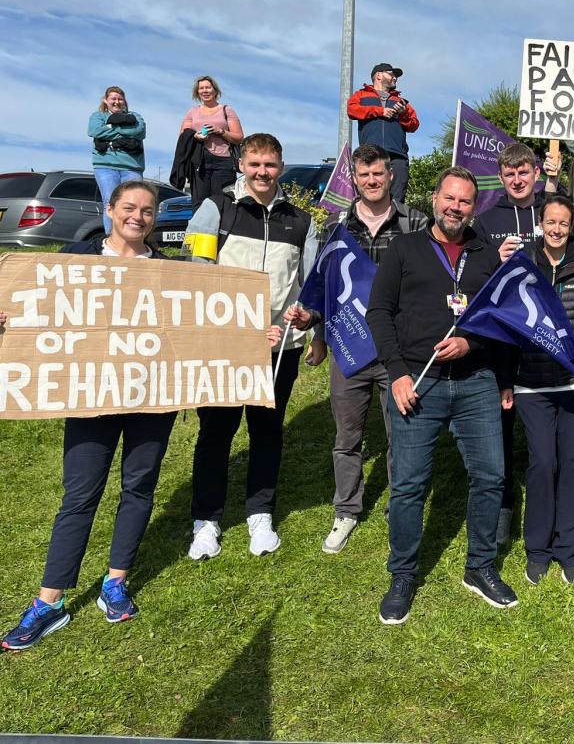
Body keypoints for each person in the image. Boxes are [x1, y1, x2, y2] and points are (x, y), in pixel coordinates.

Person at [0, 182, 279, 651]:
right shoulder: (75, 260)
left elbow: (206, 325)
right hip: (92, 394)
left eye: (147, 211)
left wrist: (254, 339)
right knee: (80, 493)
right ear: (110, 210)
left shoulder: (170, 274)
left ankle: (116, 581)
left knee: (139, 485)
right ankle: (49, 601)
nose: (138, 217)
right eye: (129, 207)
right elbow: (32, 305)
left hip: (154, 395)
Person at [366, 167, 518, 623]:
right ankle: (403, 573)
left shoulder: (486, 255)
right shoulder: (405, 248)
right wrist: (395, 373)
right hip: (417, 382)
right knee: (410, 485)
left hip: (475, 382)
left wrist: (472, 344)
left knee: (491, 476)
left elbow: (502, 322)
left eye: (465, 201)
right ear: (435, 199)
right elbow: (379, 312)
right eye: (449, 198)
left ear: (475, 208)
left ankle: (480, 566)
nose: (456, 207)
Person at [182, 133, 318, 560]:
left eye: (271, 165)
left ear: (281, 167)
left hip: (282, 348)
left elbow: (311, 285)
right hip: (224, 348)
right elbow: (195, 276)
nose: (263, 172)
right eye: (255, 163)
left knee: (266, 432)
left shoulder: (301, 221)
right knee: (216, 433)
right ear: (242, 164)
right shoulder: (215, 209)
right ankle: (206, 521)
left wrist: (308, 316)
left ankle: (260, 513)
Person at [306, 145, 430, 555]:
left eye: (378, 174)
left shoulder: (416, 222)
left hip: (398, 350)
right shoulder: (336, 227)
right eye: (364, 176)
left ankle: (401, 504)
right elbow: (326, 289)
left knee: (402, 434)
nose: (372, 181)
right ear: (354, 179)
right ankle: (346, 509)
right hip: (349, 348)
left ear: (391, 175)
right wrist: (320, 338)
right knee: (347, 436)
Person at [513, 195, 574, 585]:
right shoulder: (522, 265)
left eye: (563, 224)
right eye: (550, 222)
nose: (556, 229)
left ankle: (570, 549)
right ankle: (537, 548)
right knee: (542, 463)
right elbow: (508, 325)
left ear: (571, 227)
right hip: (532, 384)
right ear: (541, 223)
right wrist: (507, 380)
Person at [472, 143, 547, 544]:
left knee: (541, 417)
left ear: (535, 172)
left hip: (543, 329)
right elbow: (473, 276)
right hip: (503, 335)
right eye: (510, 174)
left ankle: (543, 495)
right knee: (500, 420)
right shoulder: (486, 220)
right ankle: (502, 503)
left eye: (524, 172)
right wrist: (494, 260)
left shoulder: (552, 208)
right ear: (501, 178)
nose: (518, 180)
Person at [346, 63, 420, 203]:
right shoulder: (361, 96)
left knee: (397, 202)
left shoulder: (401, 102)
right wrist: (380, 111)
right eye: (391, 74)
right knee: (370, 199)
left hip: (397, 157)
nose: (395, 78)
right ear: (378, 75)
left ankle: (394, 225)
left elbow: (414, 125)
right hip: (370, 155)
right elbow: (351, 110)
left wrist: (403, 114)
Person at [179, 76, 244, 212]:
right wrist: (195, 135)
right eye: (201, 88)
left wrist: (220, 131)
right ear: (197, 92)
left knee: (223, 201)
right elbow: (183, 135)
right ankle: (199, 232)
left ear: (215, 90)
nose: (205, 91)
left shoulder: (227, 110)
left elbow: (239, 137)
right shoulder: (192, 112)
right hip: (199, 161)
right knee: (199, 202)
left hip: (223, 161)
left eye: (208, 87)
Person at [89, 86, 146, 233]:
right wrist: (126, 135)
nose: (117, 101)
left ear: (125, 101)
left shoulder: (136, 116)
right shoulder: (97, 116)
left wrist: (110, 129)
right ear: (106, 100)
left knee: (134, 203)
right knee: (111, 202)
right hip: (105, 166)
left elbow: (139, 131)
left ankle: (133, 239)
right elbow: (94, 130)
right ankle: (112, 240)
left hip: (131, 167)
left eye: (120, 98)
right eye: (113, 98)